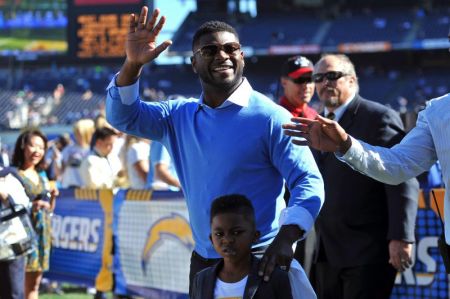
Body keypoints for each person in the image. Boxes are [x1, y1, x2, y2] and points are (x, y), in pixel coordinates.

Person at [105, 6, 324, 296]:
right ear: (194, 63)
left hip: (261, 260)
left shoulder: (273, 117)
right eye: (209, 50)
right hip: (205, 262)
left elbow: (309, 181)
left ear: (242, 56)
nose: (222, 55)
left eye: (231, 48)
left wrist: (287, 236)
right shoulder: (177, 115)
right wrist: (132, 65)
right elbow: (122, 117)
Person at [288, 54, 419, 299]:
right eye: (318, 77)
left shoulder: (378, 117)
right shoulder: (316, 123)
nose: (324, 82)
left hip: (368, 251)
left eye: (332, 76)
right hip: (325, 252)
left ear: (352, 80)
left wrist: (400, 236)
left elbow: (402, 176)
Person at [191, 194, 292, 299]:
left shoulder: (274, 278)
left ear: (254, 236)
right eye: (219, 234)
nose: (227, 240)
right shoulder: (201, 280)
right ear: (211, 239)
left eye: (236, 232)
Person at [11, 129, 58, 299]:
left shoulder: (43, 175)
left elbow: (50, 210)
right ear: (23, 147)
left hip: (41, 234)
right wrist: (32, 205)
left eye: (41, 147)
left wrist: (52, 199)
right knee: (16, 286)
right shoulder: (13, 174)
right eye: (33, 146)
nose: (37, 151)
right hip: (21, 236)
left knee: (34, 286)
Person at [0, 167, 31, 299]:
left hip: (11, 246)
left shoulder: (8, 176)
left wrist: (6, 197)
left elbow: (23, 205)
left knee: (14, 292)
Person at [60, 119, 95, 188]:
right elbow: (62, 168)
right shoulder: (68, 149)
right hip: (70, 186)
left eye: (80, 133)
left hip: (88, 188)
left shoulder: (94, 150)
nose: (78, 136)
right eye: (77, 133)